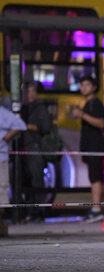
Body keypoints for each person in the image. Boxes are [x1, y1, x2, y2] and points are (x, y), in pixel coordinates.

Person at [71, 75, 104, 223]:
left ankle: (97, 210)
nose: (83, 88)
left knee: (95, 178)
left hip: (95, 147)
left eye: (87, 85)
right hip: (90, 147)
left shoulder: (95, 103)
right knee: (97, 177)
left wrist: (82, 114)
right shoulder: (89, 103)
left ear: (93, 87)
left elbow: (101, 123)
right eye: (82, 85)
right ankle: (98, 209)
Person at [21, 81, 53, 222]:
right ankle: (28, 212)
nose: (30, 94)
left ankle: (39, 213)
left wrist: (26, 126)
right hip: (22, 150)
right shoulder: (22, 108)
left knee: (37, 182)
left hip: (35, 149)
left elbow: (46, 128)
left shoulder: (40, 108)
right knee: (24, 183)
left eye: (33, 90)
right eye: (27, 91)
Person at [0, 105, 26, 235]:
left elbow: (21, 125)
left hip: (1, 157)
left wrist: (5, 138)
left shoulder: (3, 113)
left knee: (2, 190)